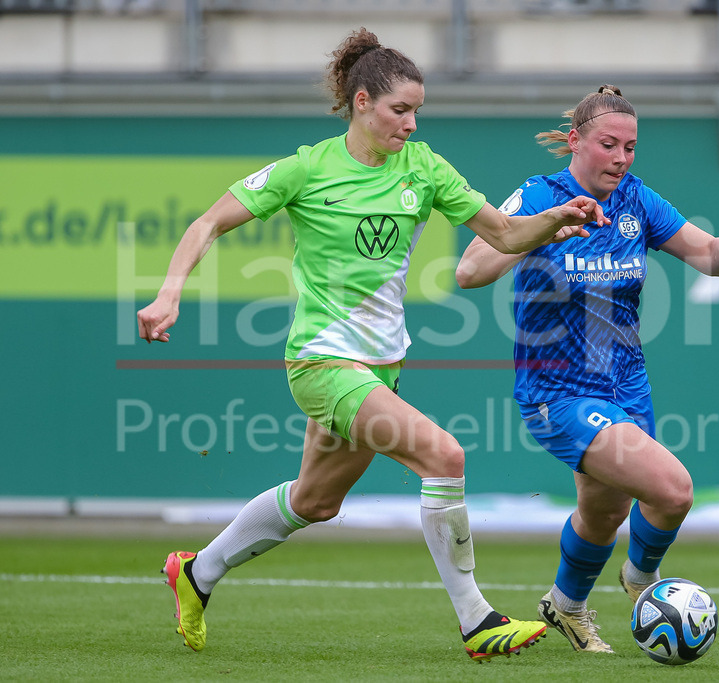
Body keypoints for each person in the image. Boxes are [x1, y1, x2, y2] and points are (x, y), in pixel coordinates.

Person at [136, 28, 608, 661]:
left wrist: (556, 218)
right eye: (399, 110)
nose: (411, 123)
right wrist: (169, 294)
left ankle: (195, 574)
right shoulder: (308, 167)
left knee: (315, 500)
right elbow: (207, 223)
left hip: (381, 368)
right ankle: (478, 621)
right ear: (361, 102)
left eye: (417, 111)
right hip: (323, 362)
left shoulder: (425, 168)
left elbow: (501, 234)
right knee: (443, 456)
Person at [455, 85, 719, 653]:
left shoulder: (638, 201)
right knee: (674, 491)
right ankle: (641, 580)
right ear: (577, 141)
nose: (621, 159)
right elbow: (470, 271)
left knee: (603, 512)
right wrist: (545, 226)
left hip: (625, 385)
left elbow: (712, 259)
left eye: (630, 148)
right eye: (610, 145)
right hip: (556, 391)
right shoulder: (539, 194)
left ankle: (566, 605)